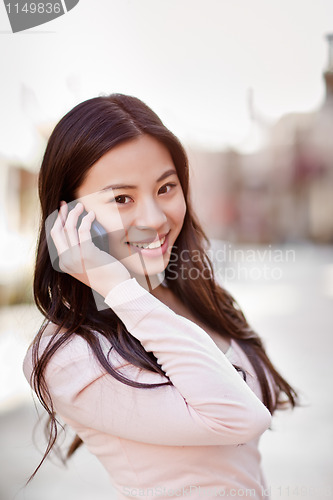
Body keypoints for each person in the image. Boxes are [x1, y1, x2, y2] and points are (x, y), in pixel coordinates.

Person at [23, 93, 299, 500]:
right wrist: (116, 287)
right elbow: (240, 417)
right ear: (68, 217)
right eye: (121, 198)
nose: (154, 219)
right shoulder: (65, 353)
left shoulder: (195, 297)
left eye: (166, 188)